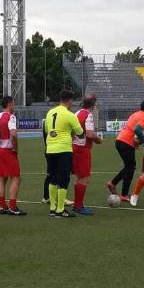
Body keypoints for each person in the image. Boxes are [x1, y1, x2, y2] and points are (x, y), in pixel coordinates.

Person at [43, 90, 84, 218]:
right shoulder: (69, 115)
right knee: (64, 179)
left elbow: (47, 130)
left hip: (50, 149)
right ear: (70, 101)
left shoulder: (50, 113)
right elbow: (80, 133)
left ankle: (52, 208)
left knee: (53, 177)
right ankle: (60, 210)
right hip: (64, 150)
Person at [107, 100, 144, 201]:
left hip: (120, 140)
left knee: (129, 167)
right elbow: (137, 130)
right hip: (126, 142)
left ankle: (113, 183)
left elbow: (131, 129)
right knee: (130, 167)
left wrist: (136, 142)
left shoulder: (136, 114)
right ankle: (123, 193)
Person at [0, 96, 25, 216]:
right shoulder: (11, 117)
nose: (14, 106)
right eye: (13, 104)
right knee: (16, 177)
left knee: (2, 179)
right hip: (7, 151)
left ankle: (3, 206)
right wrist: (15, 148)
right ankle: (13, 207)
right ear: (9, 104)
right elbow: (13, 134)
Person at [71, 93, 103, 215]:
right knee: (85, 178)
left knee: (79, 178)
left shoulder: (77, 113)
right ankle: (78, 206)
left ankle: (77, 204)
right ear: (93, 104)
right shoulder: (88, 115)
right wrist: (98, 140)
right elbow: (89, 134)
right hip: (82, 149)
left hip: (74, 147)